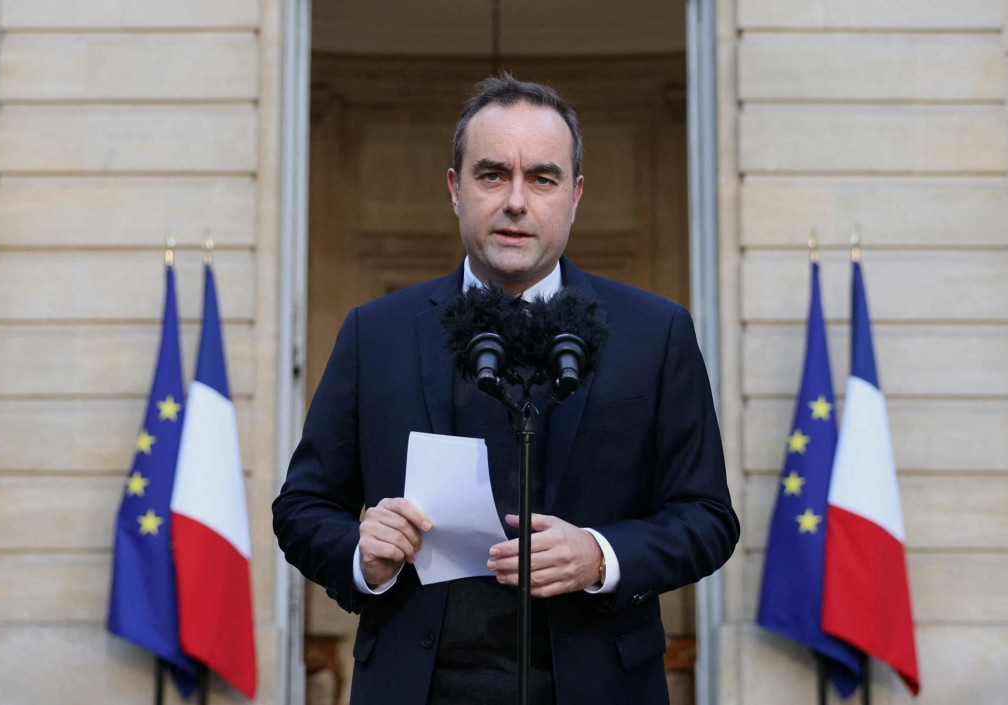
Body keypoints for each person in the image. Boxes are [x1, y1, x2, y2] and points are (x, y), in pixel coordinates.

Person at [273, 74, 739, 705]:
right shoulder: (374, 333)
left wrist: (600, 556)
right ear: (455, 189)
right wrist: (362, 556)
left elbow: (707, 518)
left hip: (600, 687)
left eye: (542, 179)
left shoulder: (655, 332)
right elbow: (301, 508)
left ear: (574, 196)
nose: (516, 201)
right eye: (492, 175)